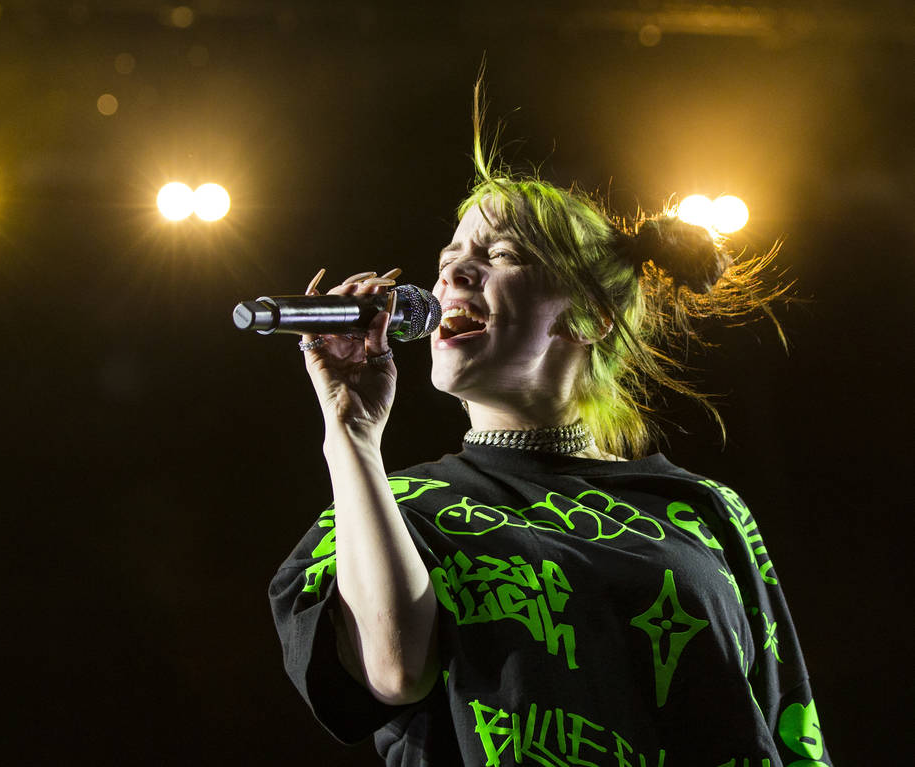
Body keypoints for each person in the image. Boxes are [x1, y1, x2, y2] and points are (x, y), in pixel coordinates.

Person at [268, 91, 831, 767]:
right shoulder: (397, 510)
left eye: (500, 252)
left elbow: (787, 722)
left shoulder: (702, 511)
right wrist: (351, 435)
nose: (451, 272)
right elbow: (394, 669)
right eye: (449, 257)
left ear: (588, 316)